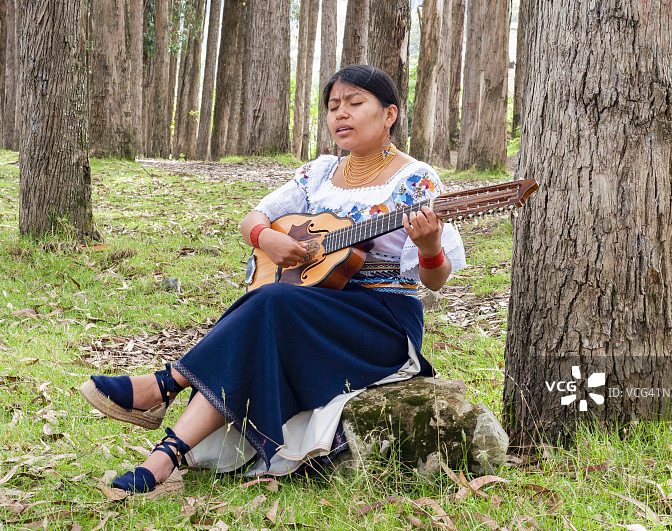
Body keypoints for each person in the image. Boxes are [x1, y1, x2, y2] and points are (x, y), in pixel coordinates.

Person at [80, 64, 466, 493]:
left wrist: (429, 247)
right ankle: (164, 458)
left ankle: (164, 385)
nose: (341, 114)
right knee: (270, 305)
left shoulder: (415, 180)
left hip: (379, 320)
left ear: (389, 114)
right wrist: (269, 239)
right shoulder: (319, 173)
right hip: (311, 302)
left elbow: (435, 281)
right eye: (334, 106)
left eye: (355, 104)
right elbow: (253, 218)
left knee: (271, 303)